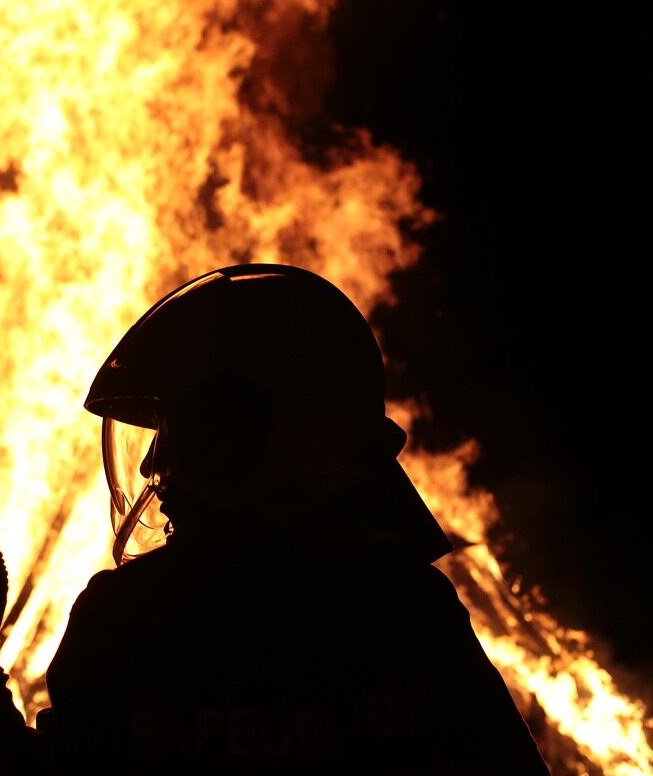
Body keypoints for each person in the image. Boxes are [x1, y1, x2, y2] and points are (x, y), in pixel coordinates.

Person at [37, 263, 553, 771]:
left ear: (238, 436)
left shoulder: (125, 622)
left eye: (175, 432)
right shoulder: (412, 618)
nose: (152, 465)